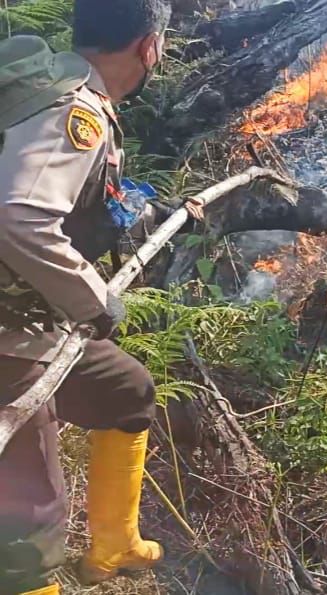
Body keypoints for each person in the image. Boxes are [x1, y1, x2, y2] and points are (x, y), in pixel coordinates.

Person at [0, 0, 173, 593]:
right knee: (32, 514)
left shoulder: (46, 82)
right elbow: (19, 218)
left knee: (126, 389)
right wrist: (91, 300)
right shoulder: (74, 109)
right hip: (11, 333)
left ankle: (113, 546)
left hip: (32, 317)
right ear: (149, 46)